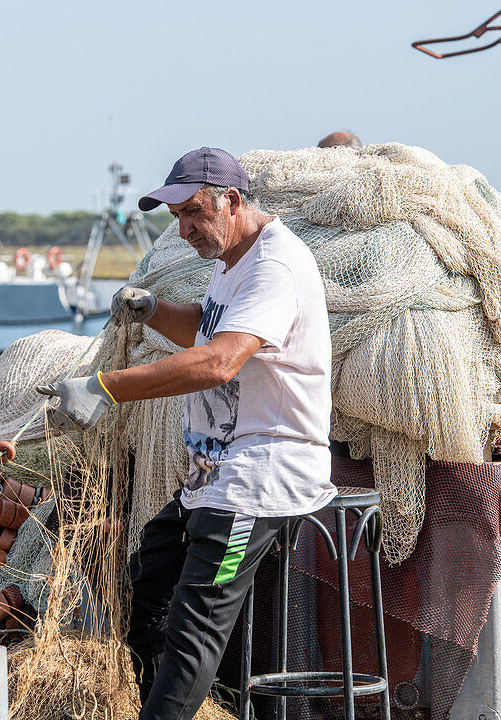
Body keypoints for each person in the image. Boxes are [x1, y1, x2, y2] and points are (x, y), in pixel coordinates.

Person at [37, 147, 336, 719]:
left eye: (194, 213)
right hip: (212, 475)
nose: (185, 229)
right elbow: (207, 326)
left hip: (261, 478)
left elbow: (220, 360)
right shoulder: (233, 261)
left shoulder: (275, 265)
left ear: (232, 200)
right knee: (150, 579)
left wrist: (107, 387)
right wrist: (152, 310)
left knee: (193, 628)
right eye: (176, 217)